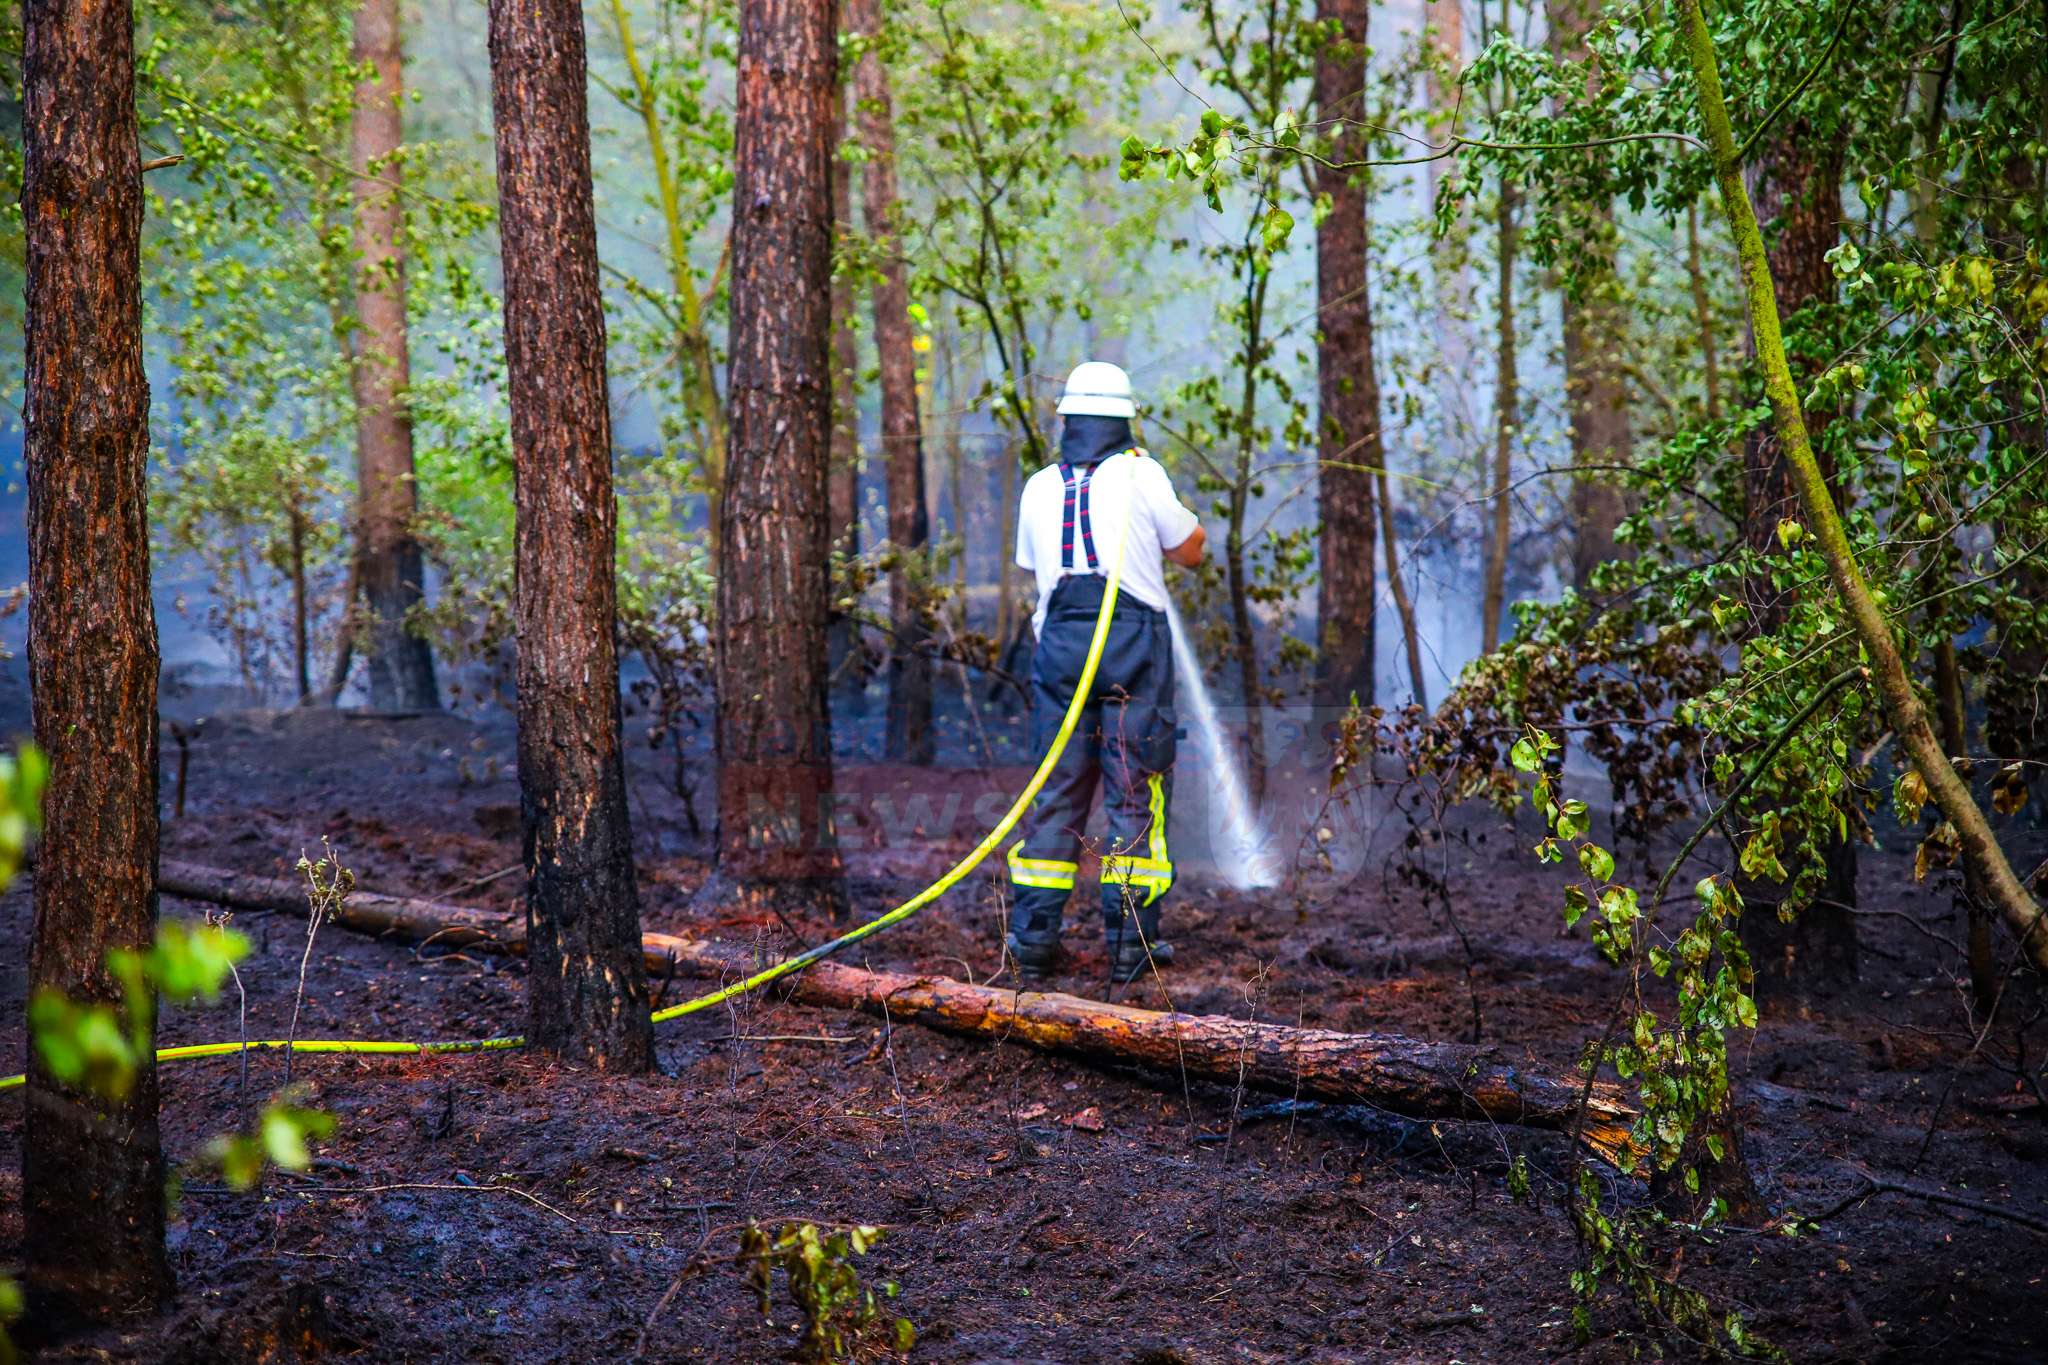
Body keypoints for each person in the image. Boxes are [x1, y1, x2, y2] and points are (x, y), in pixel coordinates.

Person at [1006, 360, 1206, 982]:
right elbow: (1192, 551)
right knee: (1133, 790)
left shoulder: (1038, 486)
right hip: (1133, 649)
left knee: (1056, 792)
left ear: (1067, 419)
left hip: (1060, 654)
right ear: (1125, 420)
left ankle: (1033, 941)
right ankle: (1129, 945)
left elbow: (1031, 566)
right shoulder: (1143, 474)